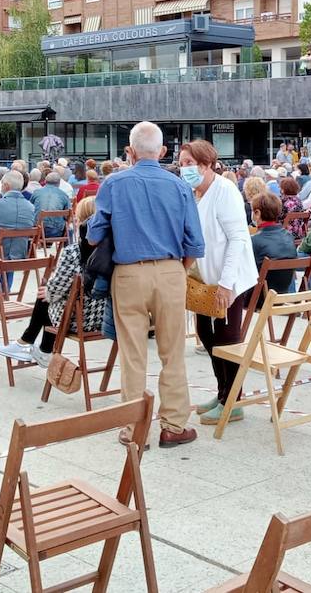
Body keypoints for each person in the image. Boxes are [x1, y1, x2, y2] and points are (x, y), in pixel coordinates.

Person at [89, 122, 204, 448]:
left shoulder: (114, 183)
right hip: (171, 271)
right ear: (163, 151)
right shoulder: (179, 186)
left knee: (133, 355)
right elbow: (195, 244)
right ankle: (174, 425)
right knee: (173, 353)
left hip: (129, 273)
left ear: (130, 151)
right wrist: (176, 269)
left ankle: (134, 429)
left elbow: (94, 234)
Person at [179, 140, 259, 426]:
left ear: (206, 164)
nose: (184, 168)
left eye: (188, 163)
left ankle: (233, 400)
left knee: (227, 338)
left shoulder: (224, 191)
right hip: (204, 279)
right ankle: (222, 390)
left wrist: (227, 284)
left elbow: (237, 238)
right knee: (206, 333)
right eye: (182, 163)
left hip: (229, 277)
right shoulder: (194, 193)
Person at [0, 197, 107, 367]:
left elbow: (55, 291)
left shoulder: (73, 252)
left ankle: (28, 343)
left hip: (77, 319)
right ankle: (38, 348)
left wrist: (48, 290)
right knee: (50, 292)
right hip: (103, 317)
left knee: (46, 294)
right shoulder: (110, 250)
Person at [250, 193, 299, 295]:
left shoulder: (254, 240)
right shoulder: (289, 236)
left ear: (257, 213)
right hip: (283, 295)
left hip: (258, 298)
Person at [32, 172, 71, 238]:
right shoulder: (64, 195)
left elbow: (31, 209)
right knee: (69, 230)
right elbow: (67, 216)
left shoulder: (36, 192)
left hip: (37, 230)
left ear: (45, 181)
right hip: (56, 231)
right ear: (59, 183)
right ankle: (68, 248)